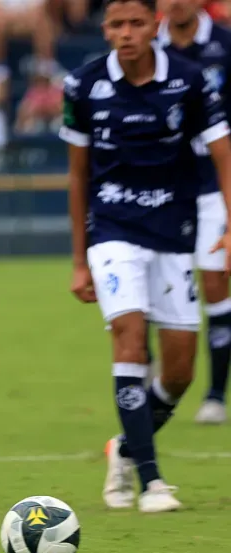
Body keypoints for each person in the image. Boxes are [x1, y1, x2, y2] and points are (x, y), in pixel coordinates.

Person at [61, 0, 231, 513]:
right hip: (112, 231)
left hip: (174, 231)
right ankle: (152, 481)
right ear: (106, 29)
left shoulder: (191, 80)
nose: (127, 33)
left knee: (179, 372)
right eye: (117, 24)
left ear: (155, 25)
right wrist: (79, 259)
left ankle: (126, 448)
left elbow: (223, 151)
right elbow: (76, 174)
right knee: (130, 339)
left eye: (137, 23)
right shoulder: (84, 85)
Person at [156, 0, 231, 425]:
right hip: (163, 187)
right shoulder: (148, 48)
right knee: (155, 283)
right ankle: (148, 365)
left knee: (215, 278)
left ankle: (216, 394)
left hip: (214, 184)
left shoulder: (224, 44)